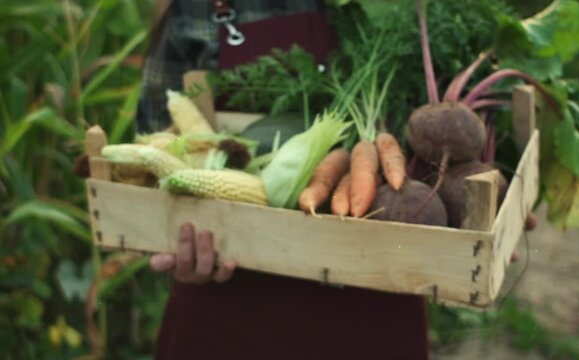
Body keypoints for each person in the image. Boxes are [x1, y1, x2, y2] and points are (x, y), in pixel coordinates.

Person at [139, 1, 431, 359]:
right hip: (230, 307)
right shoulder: (197, 8)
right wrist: (170, 239)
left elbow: (446, 128)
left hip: (377, 295)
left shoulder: (412, 10)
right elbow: (152, 159)